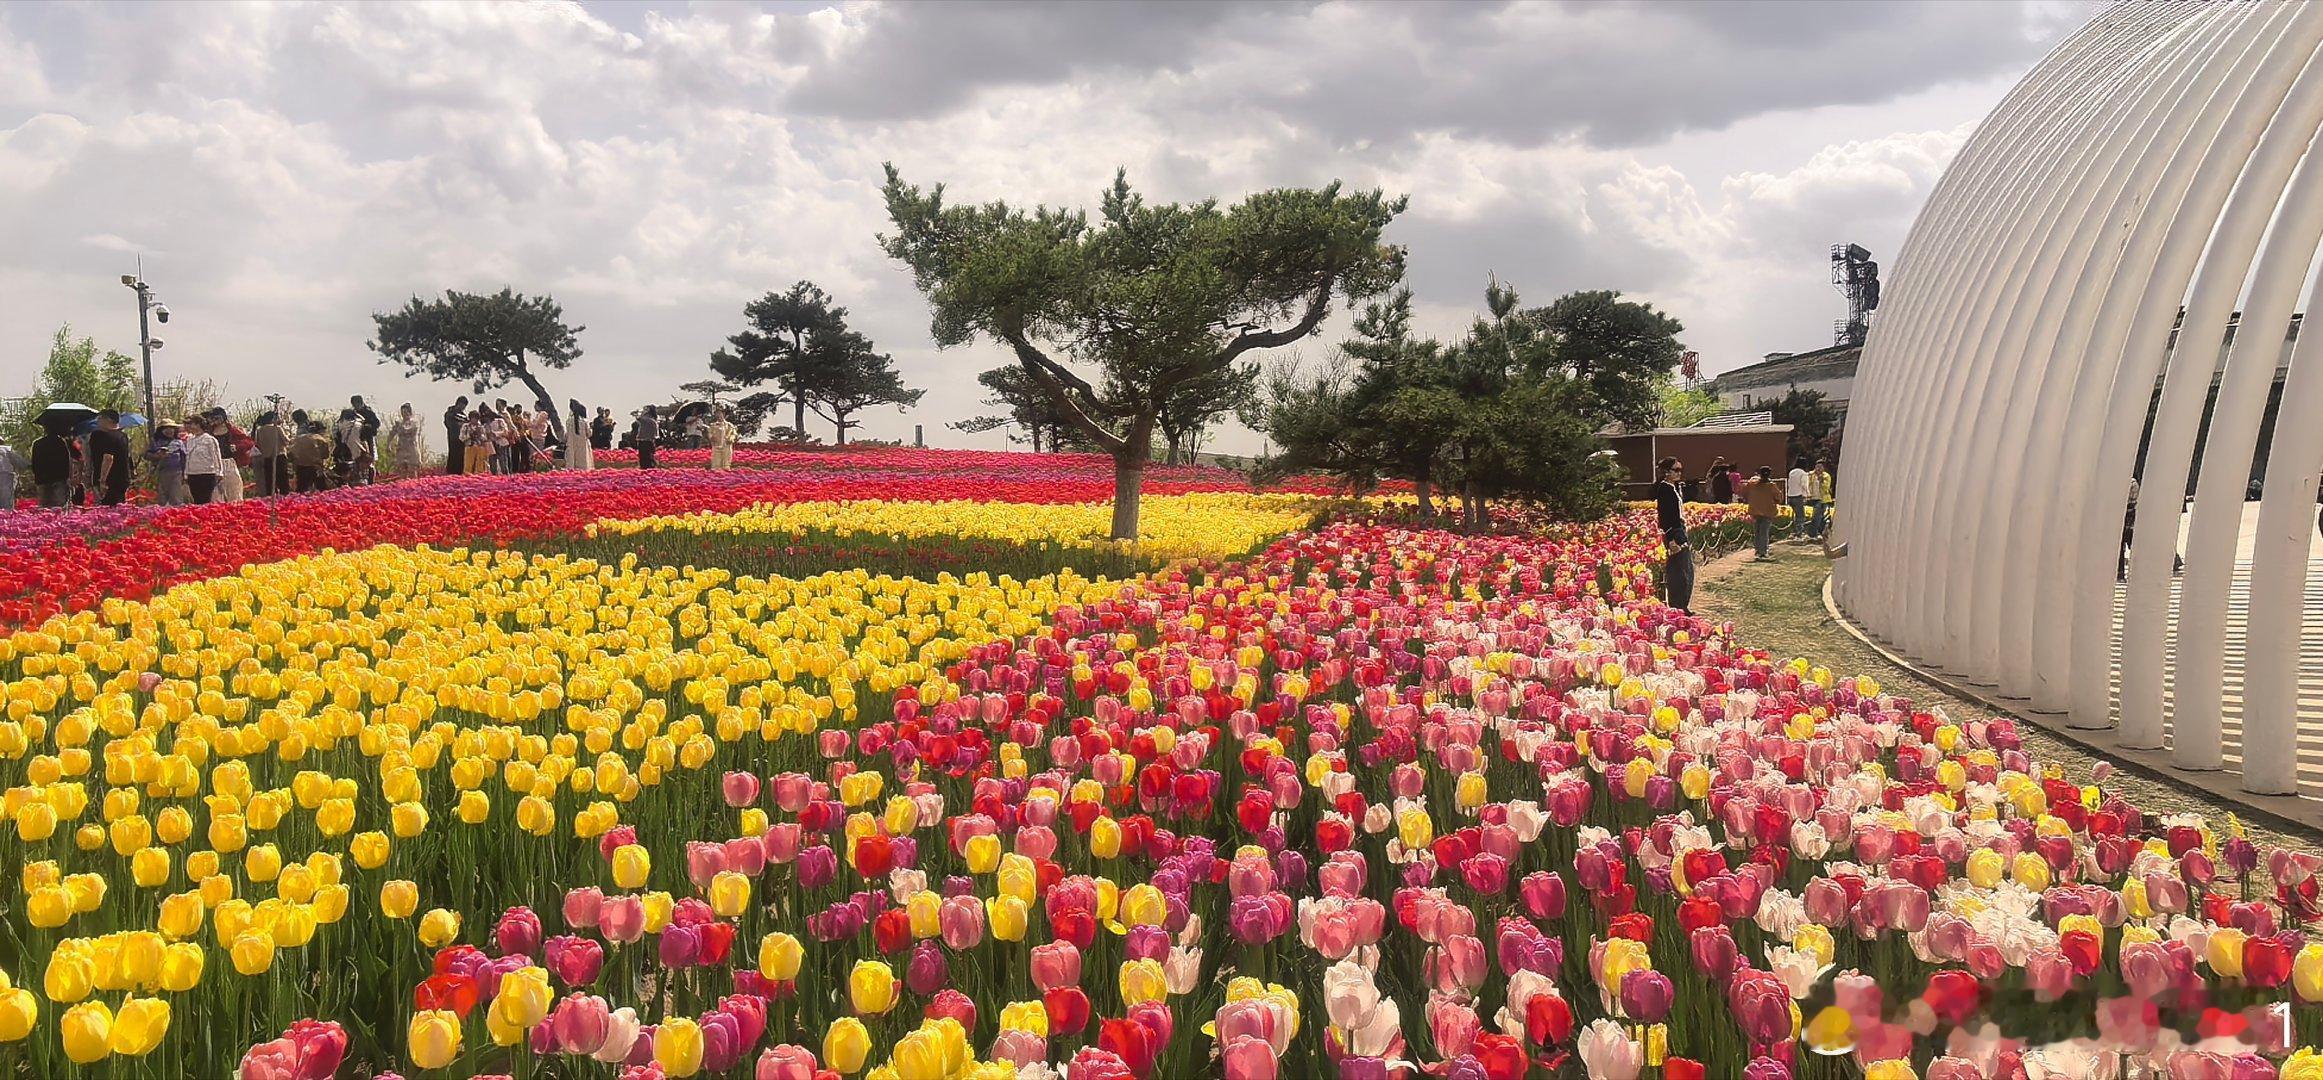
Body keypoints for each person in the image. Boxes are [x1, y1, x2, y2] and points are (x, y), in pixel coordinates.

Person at [1654, 456, 1692, 614]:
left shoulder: (1674, 487)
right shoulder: (1664, 490)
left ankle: (1682, 605)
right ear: (1666, 472)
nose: (1679, 473)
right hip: (1674, 531)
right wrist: (1671, 539)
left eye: (1680, 470)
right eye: (1676, 470)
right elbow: (1665, 516)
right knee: (1679, 571)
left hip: (1680, 528)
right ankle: (1678, 607)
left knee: (1685, 569)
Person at [87, 411, 133, 506]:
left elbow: (108, 458)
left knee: (106, 512)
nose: (98, 421)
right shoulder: (122, 436)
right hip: (121, 480)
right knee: (118, 510)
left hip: (109, 481)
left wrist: (103, 480)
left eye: (100, 418)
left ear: (108, 420)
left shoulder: (109, 437)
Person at [1744, 465, 1782, 560]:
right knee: (1764, 532)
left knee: (1757, 531)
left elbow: (1745, 492)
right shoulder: (1771, 486)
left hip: (1755, 510)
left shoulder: (1753, 484)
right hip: (1767, 511)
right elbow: (1779, 498)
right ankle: (1763, 552)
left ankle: (1757, 551)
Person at [183, 420, 223, 504]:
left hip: (207, 473)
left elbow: (216, 456)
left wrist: (219, 472)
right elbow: (188, 457)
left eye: (192, 424)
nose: (189, 426)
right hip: (192, 474)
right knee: (197, 501)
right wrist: (186, 474)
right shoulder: (190, 440)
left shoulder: (209, 439)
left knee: (205, 500)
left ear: (199, 425)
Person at [147, 422, 187, 505]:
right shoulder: (155, 442)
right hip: (161, 472)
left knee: (176, 497)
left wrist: (185, 473)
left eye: (171, 428)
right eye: (166, 428)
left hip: (177, 472)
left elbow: (184, 458)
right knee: (161, 497)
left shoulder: (178, 442)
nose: (169, 431)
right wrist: (157, 455)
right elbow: (146, 455)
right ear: (161, 430)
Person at [31, 428, 71, 508]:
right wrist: (67, 476)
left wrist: (37, 476)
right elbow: (66, 461)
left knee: (44, 507)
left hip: (42, 479)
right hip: (59, 477)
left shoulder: (37, 443)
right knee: (59, 507)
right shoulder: (61, 442)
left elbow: (34, 462)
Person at [289, 421, 332, 492]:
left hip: (301, 467)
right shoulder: (321, 439)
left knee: (301, 489)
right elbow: (325, 455)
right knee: (321, 490)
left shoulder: (298, 439)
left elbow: (291, 453)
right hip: (315, 468)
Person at [254, 412, 288, 497]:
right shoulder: (277, 428)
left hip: (267, 458)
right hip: (279, 456)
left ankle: (270, 498)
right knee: (282, 482)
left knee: (270, 482)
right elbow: (286, 441)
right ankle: (285, 500)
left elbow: (258, 445)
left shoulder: (259, 430)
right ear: (273, 419)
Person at [387, 404, 423, 479]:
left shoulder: (414, 422)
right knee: (402, 471)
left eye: (406, 412)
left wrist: (400, 426)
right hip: (401, 448)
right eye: (402, 412)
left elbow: (409, 430)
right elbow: (392, 434)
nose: (404, 414)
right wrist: (388, 444)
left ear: (410, 412)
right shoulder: (399, 423)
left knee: (412, 470)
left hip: (412, 448)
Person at [1784, 457, 1810, 538]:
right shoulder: (1803, 473)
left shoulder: (1792, 472)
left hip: (1790, 495)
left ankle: (1794, 531)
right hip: (1798, 496)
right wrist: (1808, 494)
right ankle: (1799, 532)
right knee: (1800, 516)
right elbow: (1804, 485)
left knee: (1794, 515)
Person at [1806, 459, 1832, 540]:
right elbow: (1808, 484)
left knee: (1819, 517)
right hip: (1813, 498)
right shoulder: (1812, 475)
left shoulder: (1826, 476)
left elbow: (1826, 488)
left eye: (1820, 467)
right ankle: (1816, 533)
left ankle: (1816, 533)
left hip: (1823, 499)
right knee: (1817, 517)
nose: (1818, 469)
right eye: (1817, 467)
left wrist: (1821, 480)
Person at [443, 396, 470, 475]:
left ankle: (459, 473)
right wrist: (458, 427)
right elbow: (448, 424)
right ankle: (451, 472)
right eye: (462, 405)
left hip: (462, 439)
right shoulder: (450, 413)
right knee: (453, 455)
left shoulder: (464, 415)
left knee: (461, 456)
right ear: (458, 403)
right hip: (453, 437)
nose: (463, 407)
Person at [463, 410, 492, 476]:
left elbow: (485, 438)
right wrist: (469, 436)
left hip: (480, 446)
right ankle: (467, 474)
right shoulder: (466, 426)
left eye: (476, 418)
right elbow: (461, 437)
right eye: (473, 418)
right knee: (468, 463)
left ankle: (479, 474)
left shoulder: (481, 427)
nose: (474, 420)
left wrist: (479, 435)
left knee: (480, 462)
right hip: (470, 446)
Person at [567, 400, 592, 471]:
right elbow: (589, 434)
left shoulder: (569, 421)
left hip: (572, 445)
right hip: (583, 447)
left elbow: (567, 434)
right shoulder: (584, 421)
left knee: (572, 465)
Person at [0, 441, 23, 509]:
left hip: (6, 476)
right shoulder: (7, 449)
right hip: (6, 477)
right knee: (6, 502)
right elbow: (20, 463)